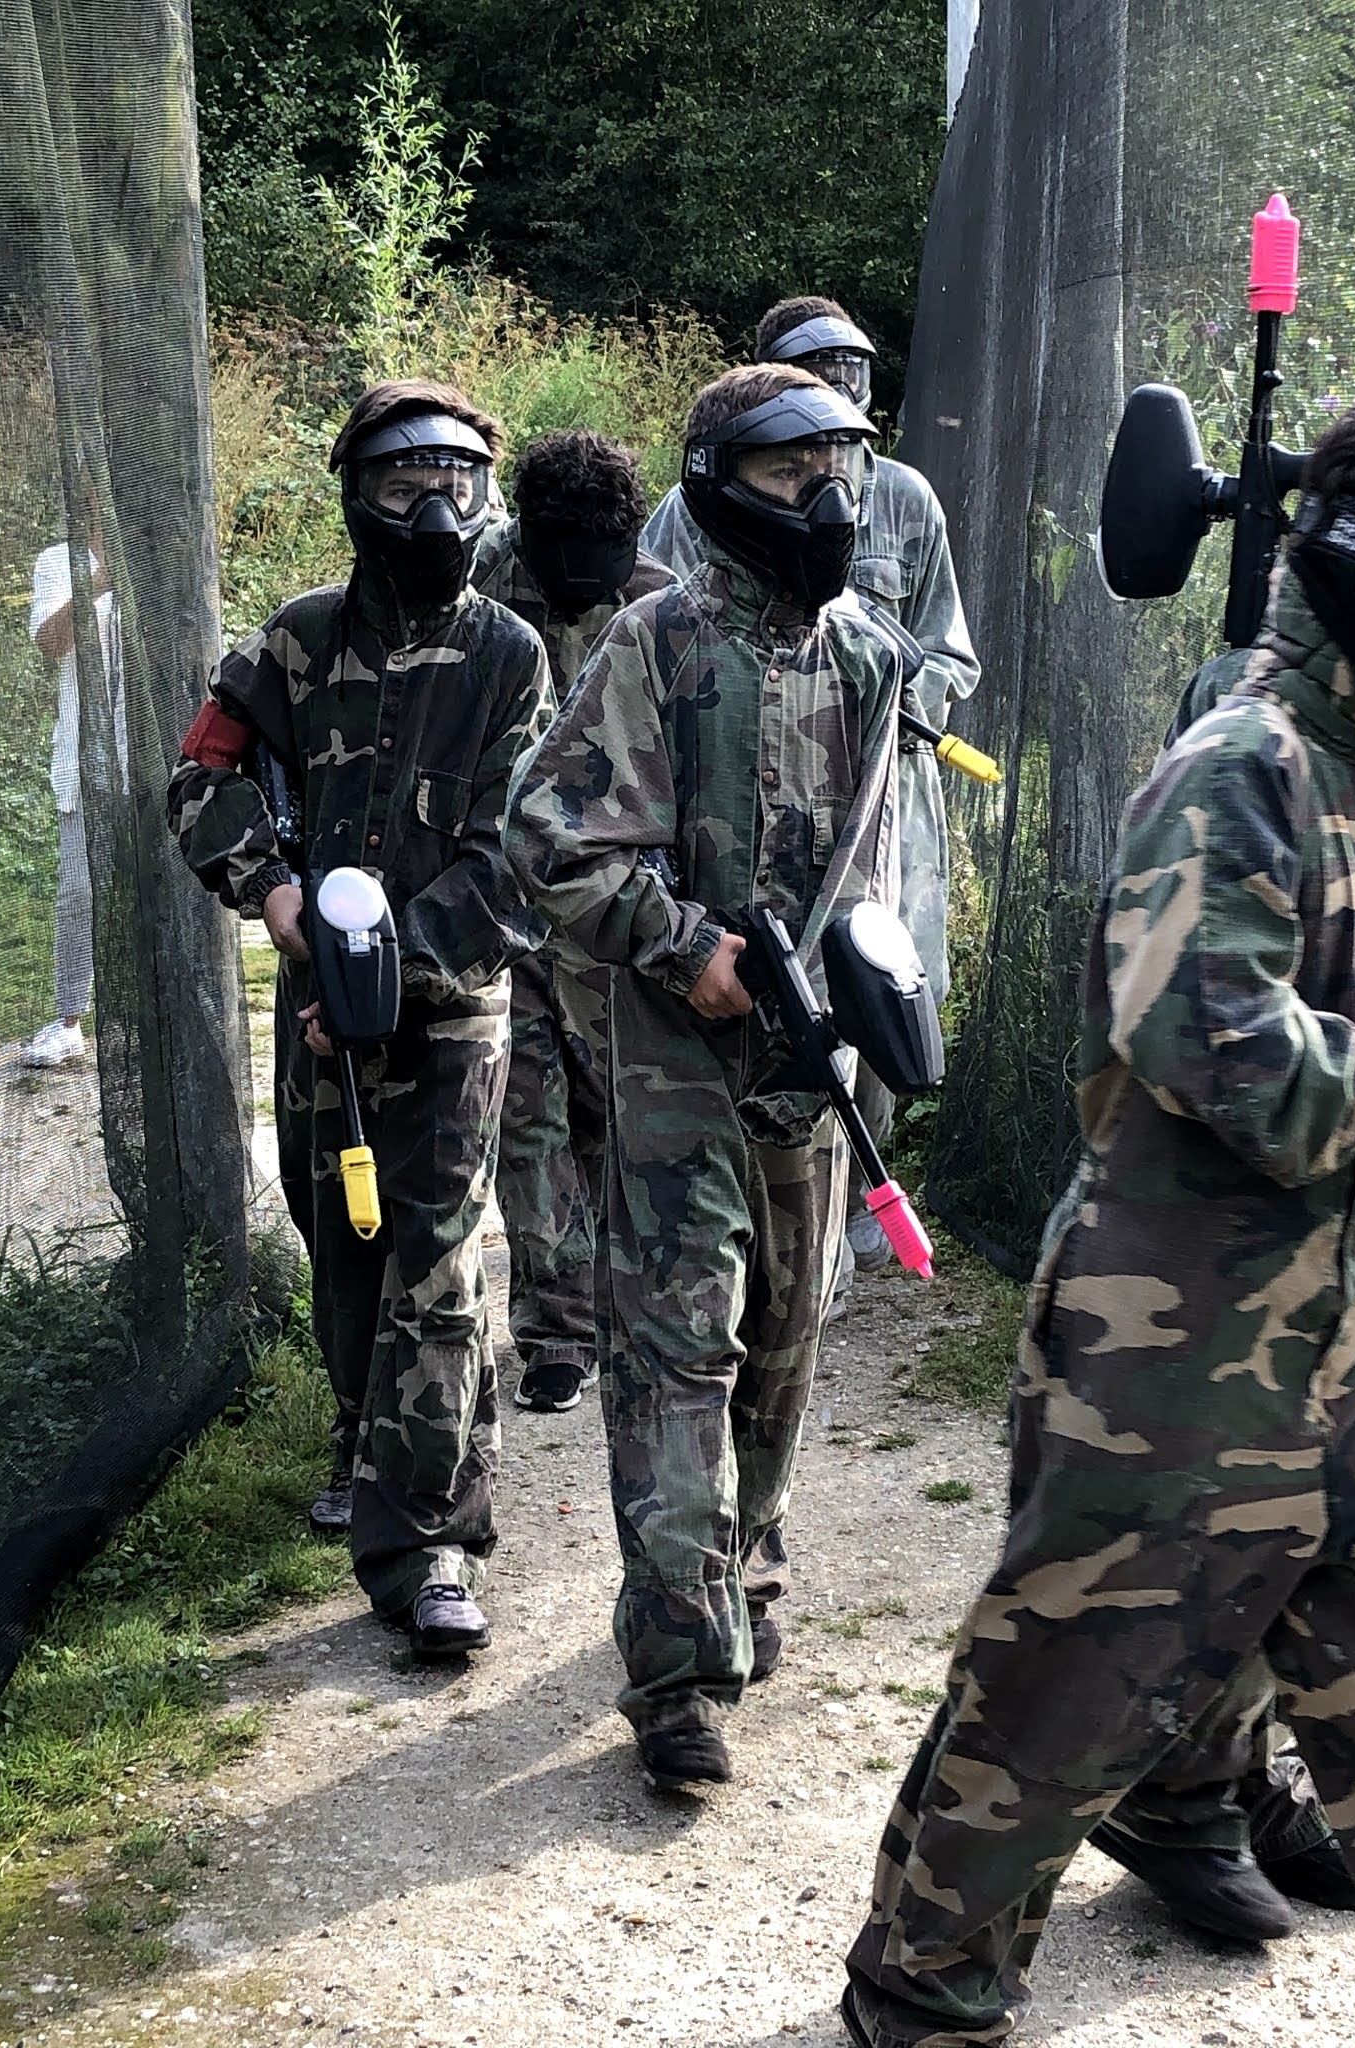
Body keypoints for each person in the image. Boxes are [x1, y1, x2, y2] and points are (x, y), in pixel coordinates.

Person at [842, 395, 1355, 2048]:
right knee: (1057, 1711)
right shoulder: (1240, 767)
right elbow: (1213, 1046)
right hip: (1165, 1354)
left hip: (1347, 1346)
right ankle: (921, 1996)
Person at [1096, 407, 1355, 1945]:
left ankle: (1241, 1804)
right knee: (1096, 1651)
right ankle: (960, 1950)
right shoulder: (1241, 750)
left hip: (1347, 1273)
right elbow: (1212, 1046)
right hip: (1180, 1279)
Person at [507, 364, 912, 1788]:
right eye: (795, 474)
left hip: (810, 1061)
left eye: (839, 471)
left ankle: (745, 1564)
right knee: (680, 1350)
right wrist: (683, 946)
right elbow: (548, 830)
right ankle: (675, 1668)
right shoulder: (659, 642)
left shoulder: (867, 657)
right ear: (723, 486)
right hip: (675, 1058)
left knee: (788, 1335)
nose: (827, 500)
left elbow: (875, 868)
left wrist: (878, 997)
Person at [168, 379, 555, 1660]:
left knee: (439, 1258)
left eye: (457, 484)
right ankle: (363, 1427)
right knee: (341, 1236)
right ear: (358, 496)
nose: (435, 510)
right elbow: (201, 773)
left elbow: (516, 855)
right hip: (319, 1017)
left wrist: (385, 974)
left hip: (452, 1012)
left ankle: (431, 1542)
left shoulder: (509, 654)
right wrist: (269, 888)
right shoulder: (297, 642)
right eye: (404, 485)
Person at [642, 296, 980, 1282]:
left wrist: (896, 689)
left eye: (854, 372)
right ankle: (744, 1205)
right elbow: (658, 614)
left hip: (880, 793)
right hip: (739, 787)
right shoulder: (701, 497)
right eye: (819, 371)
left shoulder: (903, 497)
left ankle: (848, 1202)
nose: (841, 390)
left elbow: (950, 652)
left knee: (873, 984)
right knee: (748, 988)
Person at [472, 430, 675, 1414]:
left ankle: (626, 1309)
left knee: (611, 1108)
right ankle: (556, 1331)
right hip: (500, 897)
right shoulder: (481, 583)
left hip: (612, 900)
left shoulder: (662, 602)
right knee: (529, 1111)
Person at [23, 523, 124, 1068]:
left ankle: (173, 1012)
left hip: (159, 760)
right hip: (85, 760)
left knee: (171, 891)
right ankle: (69, 1021)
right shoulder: (57, 560)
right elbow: (49, 643)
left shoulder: (164, 551)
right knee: (79, 893)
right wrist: (100, 581)